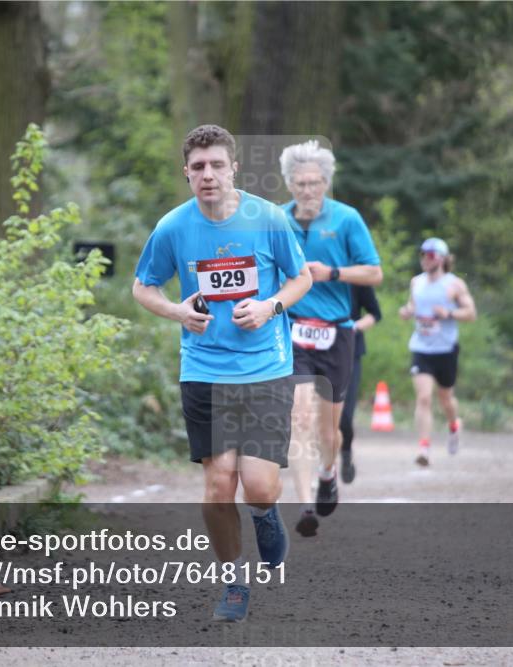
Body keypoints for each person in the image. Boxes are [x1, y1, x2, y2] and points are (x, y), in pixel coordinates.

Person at [132, 125, 312, 622]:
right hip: (205, 370)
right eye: (197, 168)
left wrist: (271, 306)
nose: (207, 175)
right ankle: (234, 581)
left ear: (233, 167)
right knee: (217, 486)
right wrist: (178, 311)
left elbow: (302, 277)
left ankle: (265, 513)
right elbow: (143, 287)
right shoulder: (173, 227)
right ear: (186, 174)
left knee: (258, 485)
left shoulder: (268, 219)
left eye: (216, 165)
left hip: (265, 368)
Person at [278, 140, 382, 538]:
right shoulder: (277, 220)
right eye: (301, 183)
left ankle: (328, 471)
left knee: (328, 430)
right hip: (294, 330)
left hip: (337, 332)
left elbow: (374, 274)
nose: (308, 190)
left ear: (326, 182)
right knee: (299, 416)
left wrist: (332, 273)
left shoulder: (347, 219)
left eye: (315, 182)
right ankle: (305, 505)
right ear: (290, 184)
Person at [399, 238, 476, 467]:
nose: (425, 258)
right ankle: (424, 447)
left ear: (442, 258)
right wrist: (407, 311)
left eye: (430, 254)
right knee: (423, 398)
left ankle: (454, 425)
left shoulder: (454, 285)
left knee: (446, 399)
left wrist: (449, 314)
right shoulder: (416, 282)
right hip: (421, 348)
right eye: (422, 253)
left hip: (445, 350)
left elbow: (471, 313)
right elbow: (413, 306)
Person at [338, 285, 382, 483]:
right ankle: (324, 471)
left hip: (349, 352)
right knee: (314, 419)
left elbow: (374, 313)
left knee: (344, 418)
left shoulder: (356, 275)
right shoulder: (311, 270)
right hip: (313, 353)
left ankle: (345, 453)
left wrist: (353, 327)